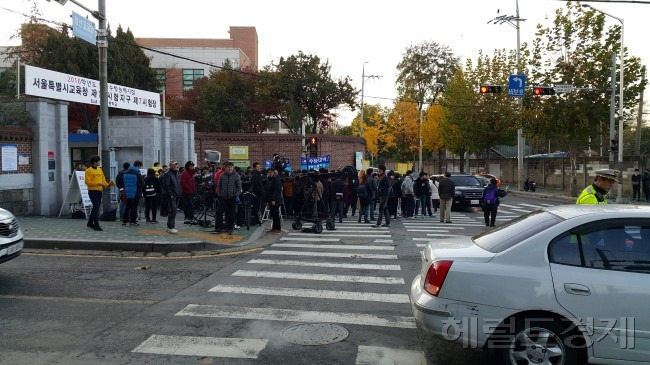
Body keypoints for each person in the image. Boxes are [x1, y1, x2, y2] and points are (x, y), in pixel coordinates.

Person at [84, 155, 113, 231]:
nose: (100, 162)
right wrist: (98, 183)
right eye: (99, 161)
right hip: (92, 191)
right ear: (95, 162)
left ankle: (90, 222)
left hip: (99, 190)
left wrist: (108, 184)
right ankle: (96, 224)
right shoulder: (88, 170)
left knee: (96, 207)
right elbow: (87, 182)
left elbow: (103, 180)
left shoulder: (100, 170)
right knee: (96, 207)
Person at [215, 162, 242, 235]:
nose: (229, 168)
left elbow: (239, 187)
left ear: (233, 168)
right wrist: (220, 194)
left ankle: (230, 228)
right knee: (219, 212)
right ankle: (218, 228)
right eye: (228, 167)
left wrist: (236, 195)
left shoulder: (236, 176)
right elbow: (219, 185)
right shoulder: (222, 175)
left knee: (232, 213)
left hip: (232, 197)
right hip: (222, 197)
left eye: (231, 167)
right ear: (225, 168)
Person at [122, 160, 145, 226]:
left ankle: (124, 220)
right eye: (140, 167)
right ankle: (133, 221)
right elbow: (142, 183)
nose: (140, 168)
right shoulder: (137, 173)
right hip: (135, 192)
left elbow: (124, 182)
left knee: (127, 206)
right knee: (134, 207)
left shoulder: (125, 172)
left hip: (127, 191)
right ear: (138, 165)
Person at [161, 160, 181, 233]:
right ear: (171, 165)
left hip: (177, 194)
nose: (176, 165)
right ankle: (170, 226)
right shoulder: (167, 174)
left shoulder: (177, 174)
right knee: (173, 210)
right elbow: (166, 185)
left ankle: (170, 226)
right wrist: (171, 194)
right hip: (171, 195)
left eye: (177, 164)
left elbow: (178, 184)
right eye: (175, 164)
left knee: (173, 211)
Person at [266, 168, 284, 233]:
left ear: (274, 172)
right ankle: (274, 227)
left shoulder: (277, 180)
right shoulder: (270, 180)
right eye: (268, 172)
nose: (269, 174)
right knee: (273, 214)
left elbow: (276, 191)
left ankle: (278, 228)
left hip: (275, 200)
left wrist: (274, 199)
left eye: (270, 172)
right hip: (270, 199)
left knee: (275, 214)